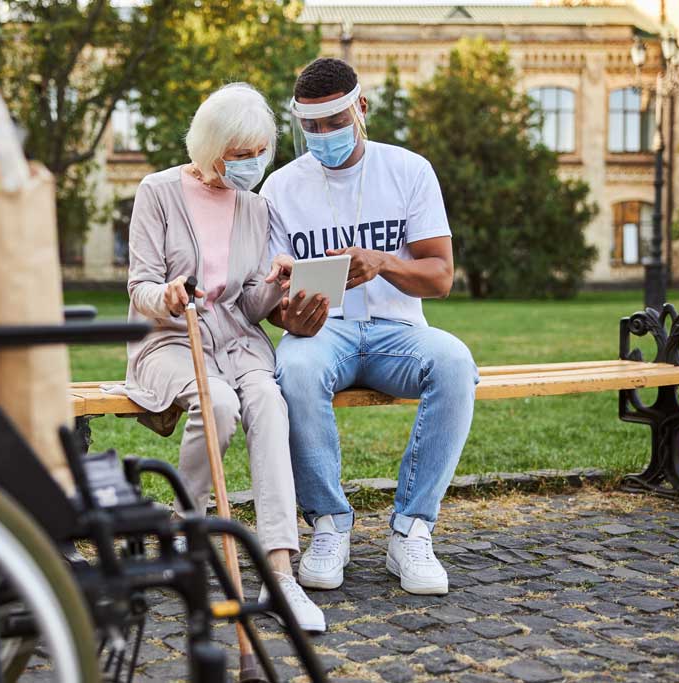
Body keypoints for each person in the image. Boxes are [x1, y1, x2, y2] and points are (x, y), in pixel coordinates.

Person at [260, 58, 478, 596]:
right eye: (310, 125)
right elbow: (270, 295)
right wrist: (287, 314)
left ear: (362, 108)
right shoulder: (280, 187)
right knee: (291, 368)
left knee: (454, 361)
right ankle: (330, 525)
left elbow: (440, 276)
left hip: (396, 329)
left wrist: (383, 263)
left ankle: (412, 529)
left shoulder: (408, 170)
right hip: (323, 331)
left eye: (335, 121)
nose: (323, 135)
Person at [123, 83, 326, 631]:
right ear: (211, 149)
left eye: (261, 153)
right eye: (241, 156)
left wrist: (276, 282)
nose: (253, 165)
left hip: (235, 340)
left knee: (266, 401)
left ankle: (282, 572)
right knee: (216, 405)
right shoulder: (157, 191)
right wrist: (165, 295)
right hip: (170, 339)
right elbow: (139, 283)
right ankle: (184, 532)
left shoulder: (256, 207)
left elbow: (248, 302)